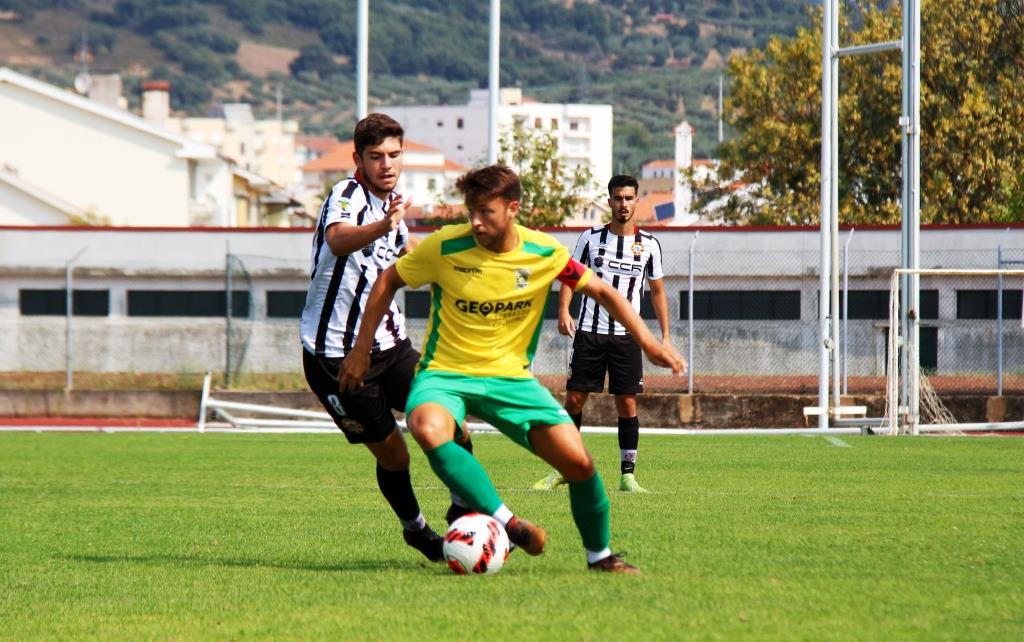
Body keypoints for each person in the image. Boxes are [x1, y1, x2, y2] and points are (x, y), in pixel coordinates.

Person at [339, 165, 686, 574]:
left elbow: (604, 291)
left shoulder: (544, 254)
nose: (475, 221)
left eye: (485, 212)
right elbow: (387, 281)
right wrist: (360, 349)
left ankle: (601, 557)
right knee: (425, 425)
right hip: (445, 374)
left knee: (579, 465)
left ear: (512, 208)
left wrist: (649, 342)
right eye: (471, 211)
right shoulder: (444, 247)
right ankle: (509, 523)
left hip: (511, 380)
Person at [299, 113, 470, 564]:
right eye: (376, 156)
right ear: (358, 158)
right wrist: (385, 224)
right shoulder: (346, 195)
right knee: (395, 455)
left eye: (394, 155)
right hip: (335, 356)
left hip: (392, 347)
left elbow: (410, 258)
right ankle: (415, 529)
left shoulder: (393, 204)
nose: (387, 164)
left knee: (451, 425)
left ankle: (464, 519)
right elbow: (337, 242)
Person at [533, 175, 671, 494]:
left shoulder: (649, 244)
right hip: (590, 333)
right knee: (575, 399)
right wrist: (564, 311)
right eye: (618, 198)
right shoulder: (590, 238)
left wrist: (664, 337)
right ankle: (563, 468)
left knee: (627, 405)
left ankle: (628, 476)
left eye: (629, 198)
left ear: (637, 202)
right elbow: (570, 278)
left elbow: (659, 292)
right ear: (609, 201)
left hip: (627, 337)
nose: (623, 204)